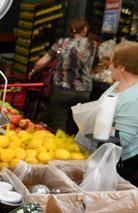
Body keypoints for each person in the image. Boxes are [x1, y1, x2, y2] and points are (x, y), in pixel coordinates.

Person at [30, 16, 97, 134]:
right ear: (85, 29)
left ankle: (61, 145)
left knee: (59, 124)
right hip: (83, 92)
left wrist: (33, 71)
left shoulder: (61, 43)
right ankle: (75, 145)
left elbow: (42, 62)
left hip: (62, 91)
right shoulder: (93, 44)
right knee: (79, 125)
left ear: (71, 30)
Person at [102, 42, 138, 185]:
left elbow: (123, 139)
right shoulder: (117, 85)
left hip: (124, 165)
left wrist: (97, 127)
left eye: (112, 62)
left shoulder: (134, 97)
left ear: (122, 67)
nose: (109, 66)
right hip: (108, 156)